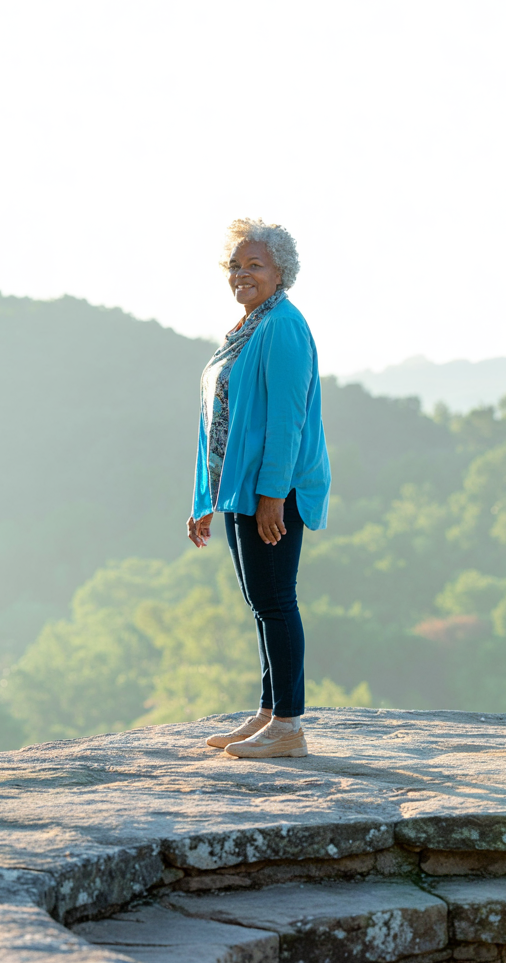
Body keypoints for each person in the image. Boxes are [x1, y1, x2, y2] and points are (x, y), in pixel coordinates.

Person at [187, 218, 330, 759]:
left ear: (280, 274)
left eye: (256, 265)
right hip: (239, 490)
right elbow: (218, 423)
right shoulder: (250, 327)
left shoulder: (282, 327)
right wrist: (205, 499)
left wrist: (273, 495)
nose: (242, 274)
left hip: (275, 490)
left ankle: (290, 726)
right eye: (236, 265)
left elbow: (286, 419)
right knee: (260, 601)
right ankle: (271, 713)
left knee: (275, 600)